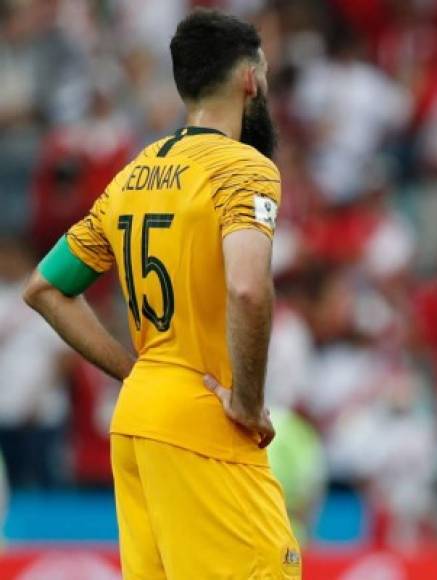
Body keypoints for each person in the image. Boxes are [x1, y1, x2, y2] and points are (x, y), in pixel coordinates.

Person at [22, 9, 301, 579]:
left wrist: (133, 371)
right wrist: (246, 401)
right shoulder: (243, 168)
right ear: (249, 78)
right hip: (205, 424)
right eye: (265, 73)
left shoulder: (133, 174)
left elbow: (45, 287)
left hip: (137, 421)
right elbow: (248, 288)